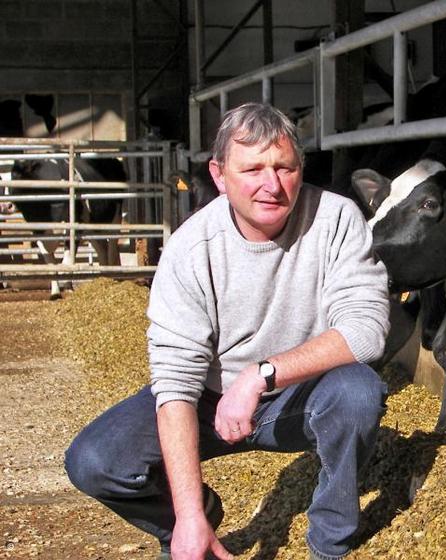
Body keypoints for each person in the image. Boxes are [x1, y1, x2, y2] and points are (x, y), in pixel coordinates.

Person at [65, 102, 391, 560]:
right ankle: (190, 525)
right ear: (219, 176)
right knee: (95, 461)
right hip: (210, 402)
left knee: (358, 392)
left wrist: (261, 374)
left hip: (300, 395)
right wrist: (188, 514)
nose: (271, 185)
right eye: (252, 168)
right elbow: (176, 386)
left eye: (284, 167)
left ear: (301, 168)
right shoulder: (191, 248)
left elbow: (366, 330)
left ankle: (330, 543)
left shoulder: (335, 219)